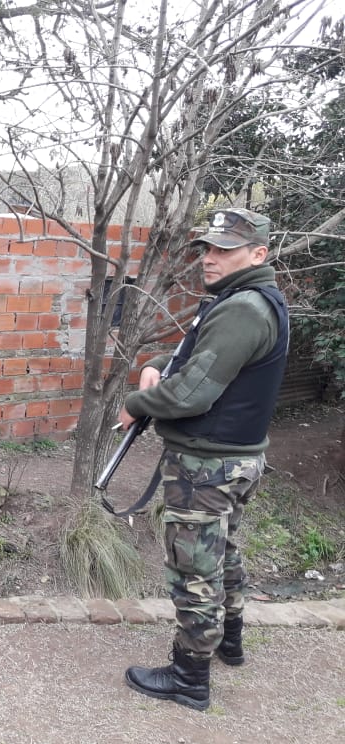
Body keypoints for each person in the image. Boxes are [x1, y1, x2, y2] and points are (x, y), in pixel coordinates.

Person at [119, 208, 290, 711]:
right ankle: (229, 642)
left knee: (193, 569)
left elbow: (192, 394)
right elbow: (199, 359)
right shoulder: (248, 300)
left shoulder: (242, 308)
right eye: (208, 249)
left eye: (224, 251)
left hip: (207, 467)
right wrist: (156, 366)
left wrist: (136, 404)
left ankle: (189, 677)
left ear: (258, 254)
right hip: (237, 458)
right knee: (223, 553)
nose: (209, 259)